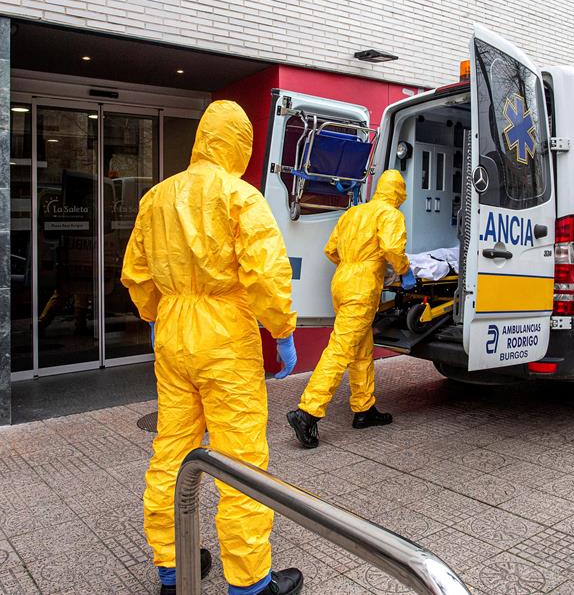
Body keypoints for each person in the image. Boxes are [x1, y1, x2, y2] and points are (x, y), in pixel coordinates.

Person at [121, 100, 303, 595]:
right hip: (225, 335)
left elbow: (137, 273)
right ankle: (250, 582)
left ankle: (173, 566)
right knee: (239, 455)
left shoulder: (156, 197)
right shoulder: (240, 196)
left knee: (171, 448)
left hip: (173, 331)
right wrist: (282, 331)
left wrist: (155, 315)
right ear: (239, 144)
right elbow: (266, 272)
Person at [287, 169, 415, 449]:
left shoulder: (353, 213)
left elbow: (331, 250)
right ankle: (307, 412)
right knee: (341, 349)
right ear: (398, 193)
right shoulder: (390, 214)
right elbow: (393, 249)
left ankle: (364, 408)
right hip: (362, 287)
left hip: (342, 281)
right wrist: (404, 270)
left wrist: (352, 264)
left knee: (361, 349)